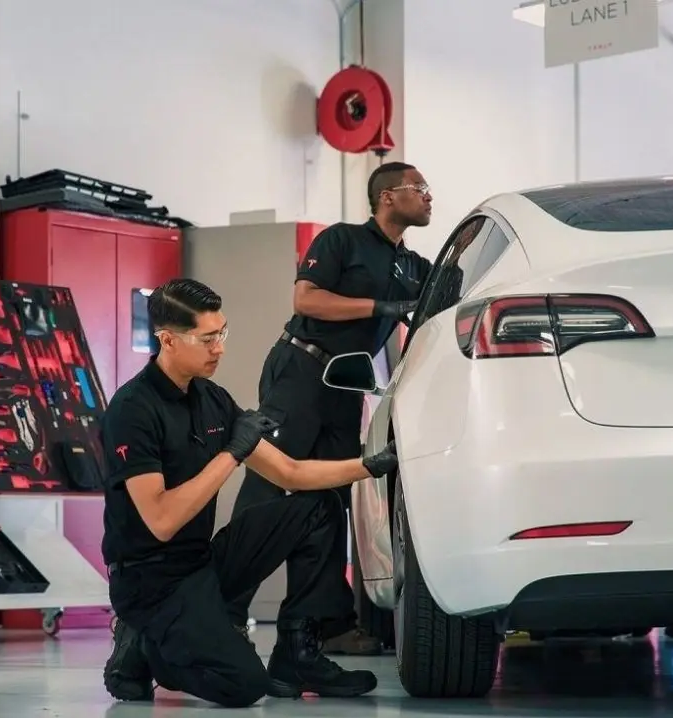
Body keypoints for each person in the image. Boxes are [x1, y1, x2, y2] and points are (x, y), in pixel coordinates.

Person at [101, 278, 400, 708]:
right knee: (244, 685)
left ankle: (296, 652)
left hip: (201, 563)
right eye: (207, 339)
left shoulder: (212, 399)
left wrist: (372, 464)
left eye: (222, 333)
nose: (219, 348)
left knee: (319, 507)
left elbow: (291, 472)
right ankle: (144, 644)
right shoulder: (133, 410)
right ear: (168, 340)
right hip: (150, 582)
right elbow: (162, 521)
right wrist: (231, 454)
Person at [224, 161, 434, 655]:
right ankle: (223, 613)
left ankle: (325, 624)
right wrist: (381, 308)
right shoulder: (342, 240)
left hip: (345, 385)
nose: (429, 196)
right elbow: (307, 300)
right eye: (419, 188)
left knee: (331, 501)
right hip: (300, 370)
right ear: (387, 196)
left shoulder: (414, 267)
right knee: (267, 488)